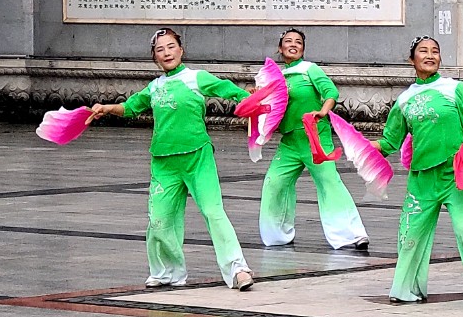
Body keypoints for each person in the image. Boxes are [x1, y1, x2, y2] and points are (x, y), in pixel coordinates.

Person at [88, 28, 255, 290]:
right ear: (154, 57)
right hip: (163, 161)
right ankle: (167, 272)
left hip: (197, 158)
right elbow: (130, 107)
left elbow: (229, 90)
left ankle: (238, 269)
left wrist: (252, 100)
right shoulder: (154, 87)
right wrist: (107, 108)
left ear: (181, 50)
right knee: (159, 219)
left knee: (213, 212)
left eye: (171, 46)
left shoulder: (196, 78)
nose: (166, 53)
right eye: (160, 49)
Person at [372, 36, 463, 310]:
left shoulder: (454, 88)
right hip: (421, 179)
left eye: (435, 51)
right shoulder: (404, 100)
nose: (430, 55)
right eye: (423, 51)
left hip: (455, 174)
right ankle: (407, 289)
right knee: (410, 234)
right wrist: (360, 145)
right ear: (411, 59)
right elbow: (389, 142)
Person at [258, 28, 370, 250]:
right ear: (280, 48)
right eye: (288, 41)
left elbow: (331, 92)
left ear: (303, 48)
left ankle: (352, 235)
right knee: (274, 183)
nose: (293, 44)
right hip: (290, 142)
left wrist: (323, 111)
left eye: (298, 42)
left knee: (329, 183)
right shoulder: (275, 77)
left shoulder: (310, 69)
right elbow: (270, 108)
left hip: (316, 138)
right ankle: (277, 235)